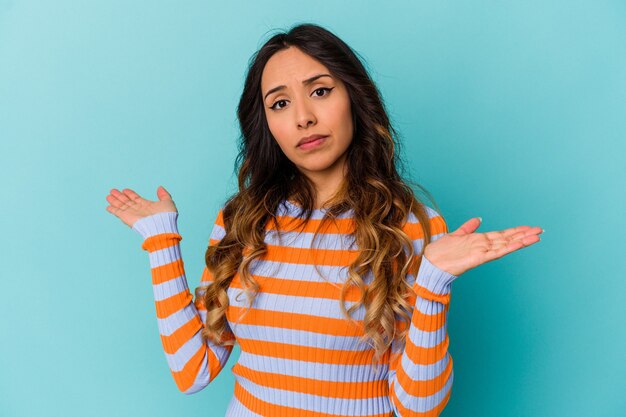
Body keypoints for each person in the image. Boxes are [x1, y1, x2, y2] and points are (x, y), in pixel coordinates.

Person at [105, 23, 542, 417]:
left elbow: (418, 406)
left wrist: (432, 290)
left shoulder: (409, 226)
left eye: (320, 91)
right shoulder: (242, 220)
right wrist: (161, 242)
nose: (303, 118)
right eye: (279, 103)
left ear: (354, 97)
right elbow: (192, 370)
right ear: (267, 125)